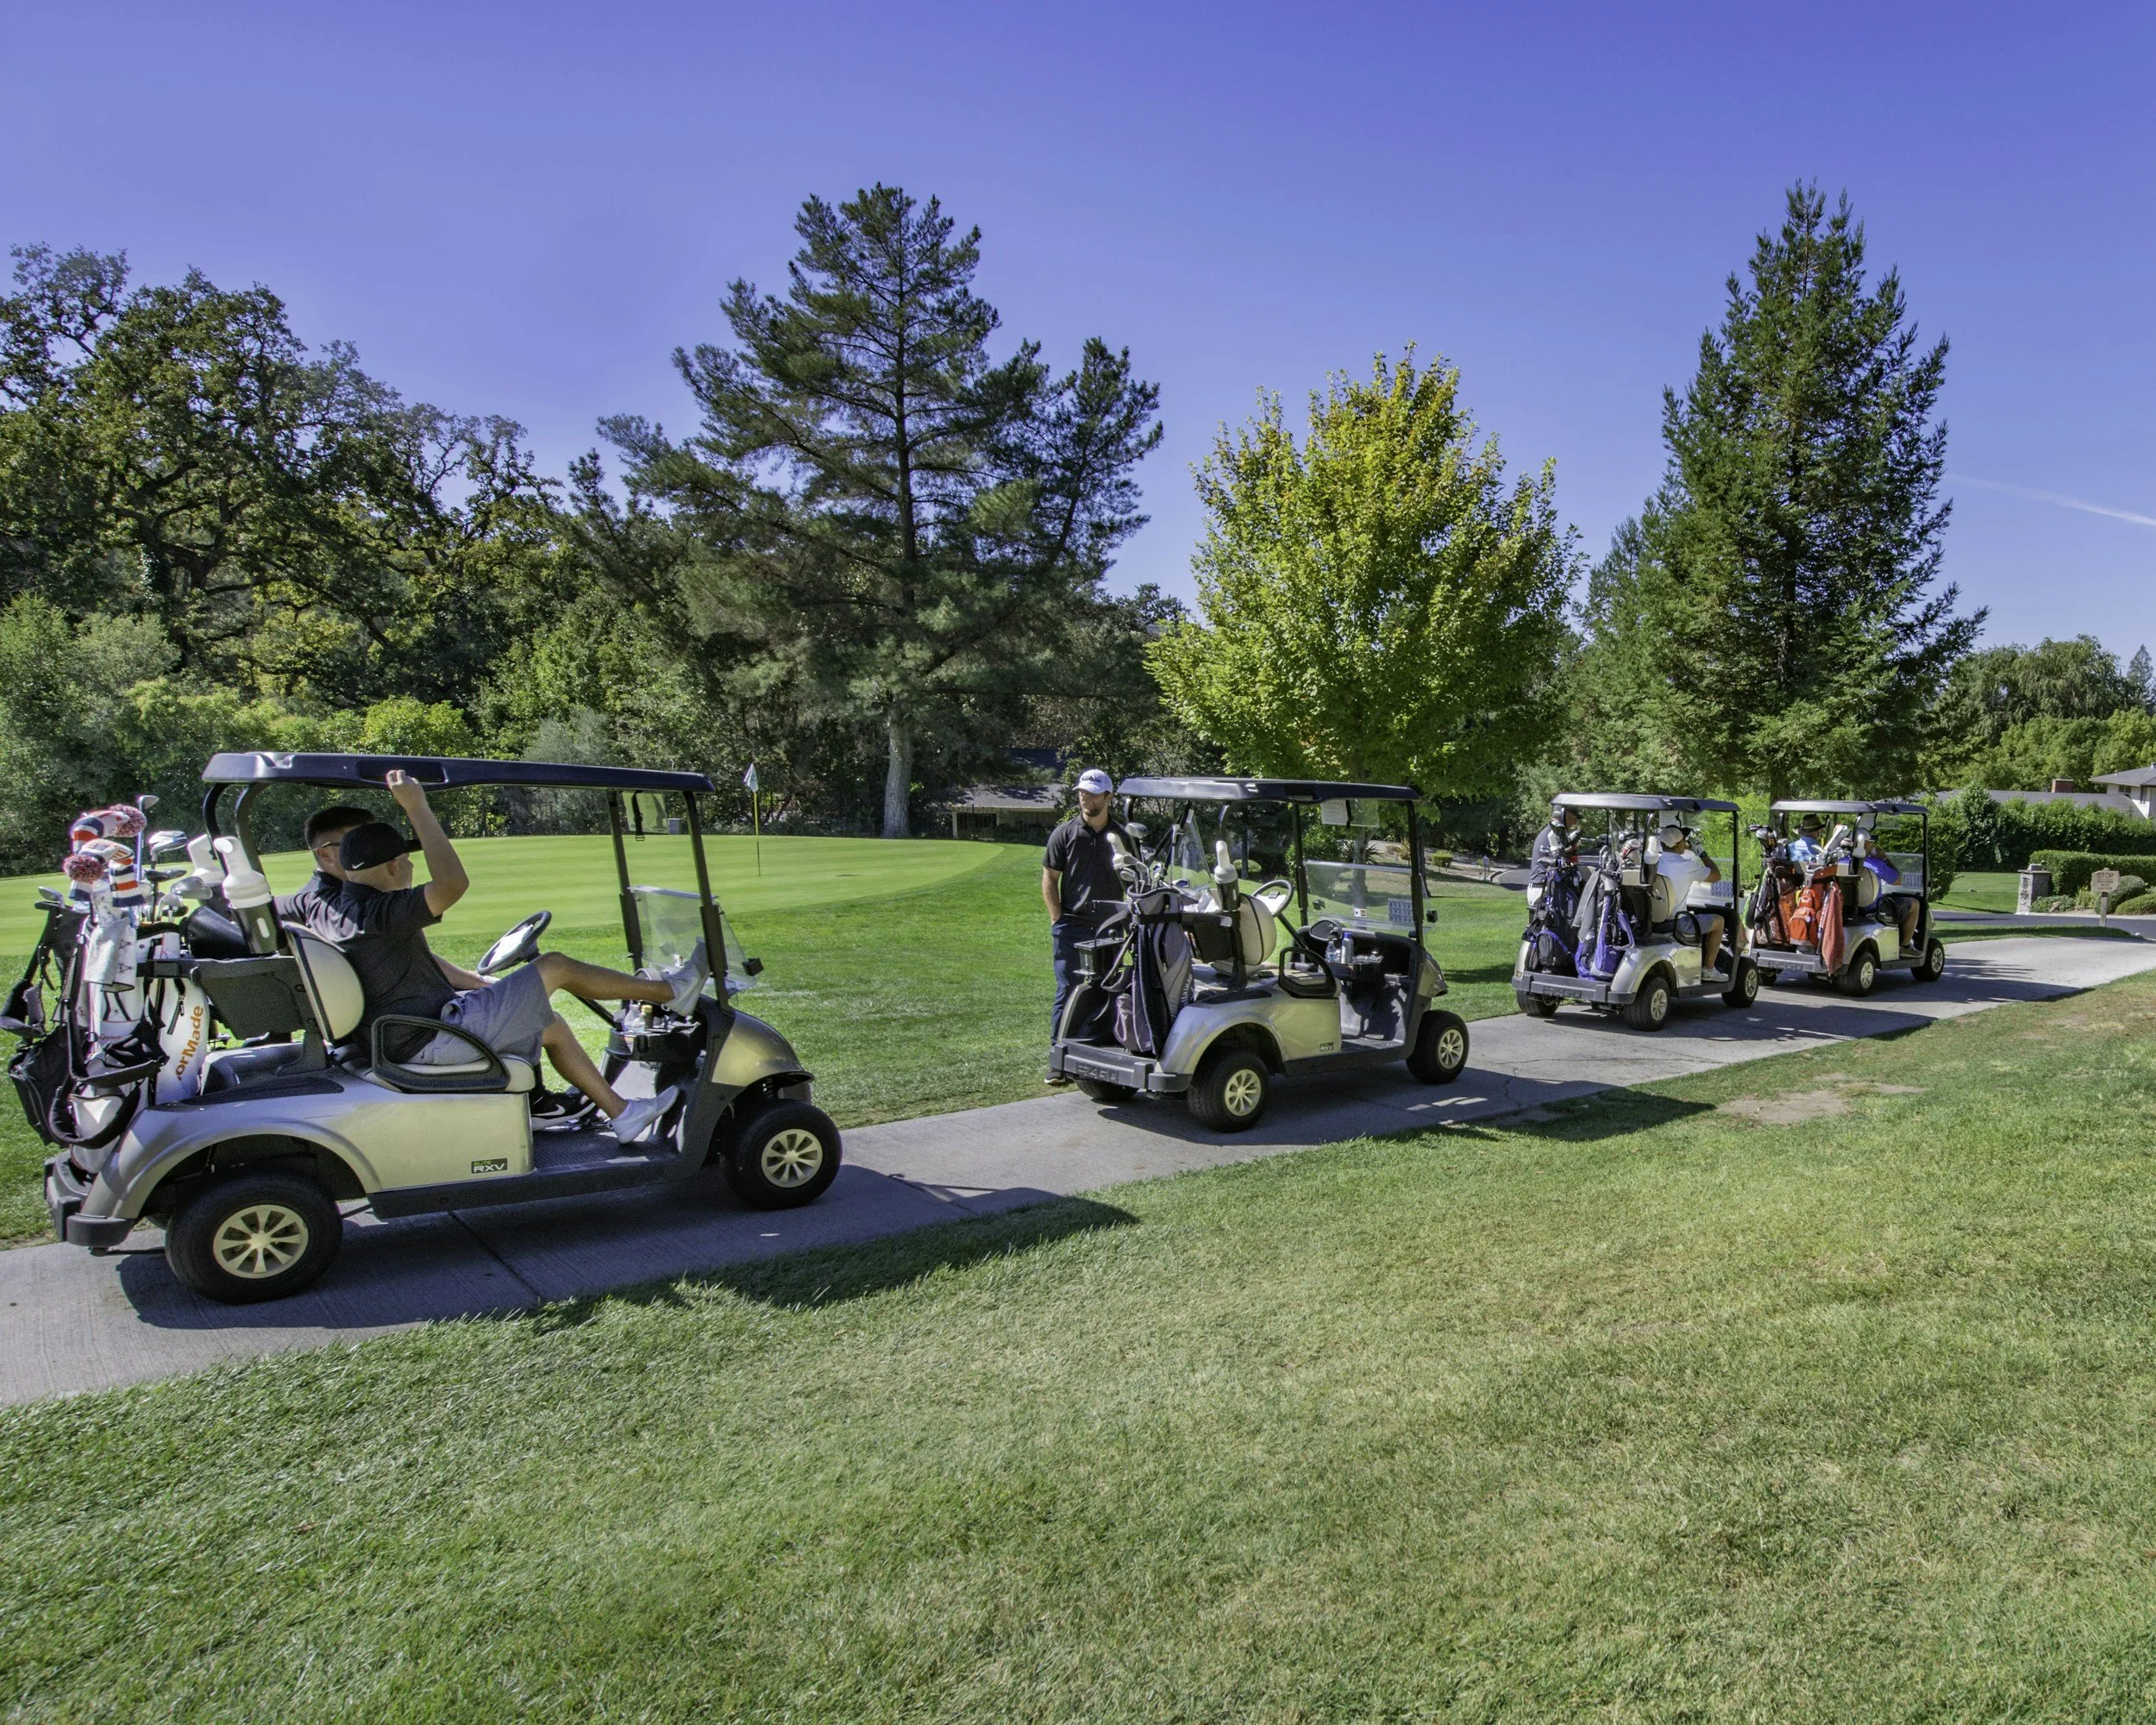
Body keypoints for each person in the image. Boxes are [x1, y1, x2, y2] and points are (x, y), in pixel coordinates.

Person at [293, 771, 705, 1143]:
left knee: (551, 1024)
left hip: (412, 1031)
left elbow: (415, 960)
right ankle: (670, 992)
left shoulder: (329, 908)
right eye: (409, 863)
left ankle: (623, 1113)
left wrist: (476, 981)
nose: (413, 869)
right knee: (555, 966)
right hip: (428, 1039)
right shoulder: (381, 912)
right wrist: (417, 806)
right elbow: (453, 882)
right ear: (394, 867)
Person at [1041, 768, 1131, 1079]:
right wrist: (1057, 920)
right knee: (1067, 990)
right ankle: (1058, 1059)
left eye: (1092, 792)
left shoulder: (1122, 837)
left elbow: (1134, 881)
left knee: (1105, 990)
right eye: (1082, 791)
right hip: (1073, 927)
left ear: (1108, 797)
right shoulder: (1064, 834)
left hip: (1111, 929)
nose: (1085, 796)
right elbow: (1050, 880)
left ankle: (1094, 1056)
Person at [1652, 822, 1727, 974]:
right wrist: (1701, 853)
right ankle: (1709, 969)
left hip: (1653, 921)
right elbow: (1716, 875)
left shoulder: (1654, 862)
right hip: (1677, 923)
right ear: (1679, 845)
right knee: (1719, 922)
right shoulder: (1687, 866)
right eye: (1683, 842)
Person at [1857, 831, 1921, 952]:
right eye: (1871, 843)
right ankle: (1905, 946)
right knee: (1915, 904)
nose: (1872, 845)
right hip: (1873, 909)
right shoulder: (1876, 864)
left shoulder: (1843, 860)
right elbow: (1897, 880)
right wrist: (1885, 858)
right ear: (1865, 844)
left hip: (1850, 908)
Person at [1529, 803, 1581, 897]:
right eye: (1573, 817)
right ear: (1563, 813)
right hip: (1544, 888)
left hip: (1543, 886)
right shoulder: (1556, 832)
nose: (1575, 821)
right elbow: (1563, 857)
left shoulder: (1555, 831)